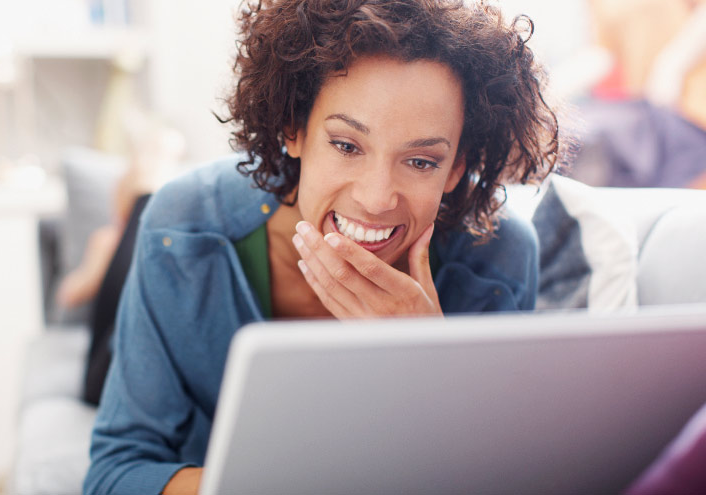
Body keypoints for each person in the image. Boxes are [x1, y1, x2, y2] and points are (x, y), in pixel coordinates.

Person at [84, 0, 561, 493]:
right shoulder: (182, 229)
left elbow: (496, 475)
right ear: (294, 128)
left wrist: (429, 366)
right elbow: (114, 475)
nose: (376, 199)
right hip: (159, 254)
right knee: (140, 220)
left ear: (457, 168)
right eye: (346, 145)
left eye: (420, 161)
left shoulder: (498, 258)